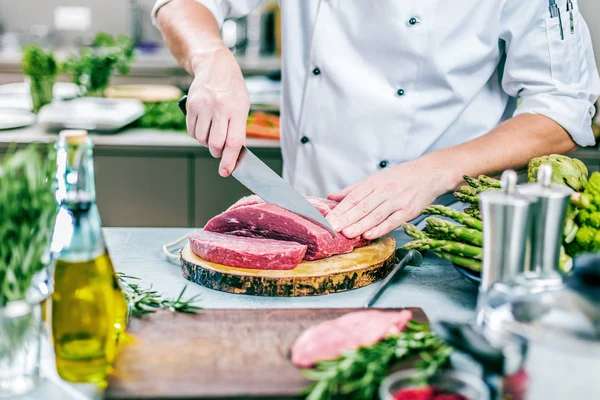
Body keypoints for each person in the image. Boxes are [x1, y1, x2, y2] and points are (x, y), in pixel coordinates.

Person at [152, 0, 600, 240]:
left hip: (441, 234)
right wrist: (210, 56)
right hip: (309, 219)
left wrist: (435, 170)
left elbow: (562, 109)